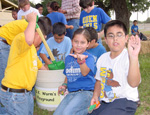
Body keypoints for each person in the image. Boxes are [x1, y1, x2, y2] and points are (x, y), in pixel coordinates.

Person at [0, 12, 52, 114]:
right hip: (15, 94)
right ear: (37, 34)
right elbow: (28, 39)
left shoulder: (31, 49)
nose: (41, 43)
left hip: (24, 94)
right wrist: (32, 21)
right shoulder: (21, 39)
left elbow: (40, 66)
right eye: (41, 40)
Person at [88, 20, 141, 115]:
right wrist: (95, 96)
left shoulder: (128, 57)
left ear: (126, 38)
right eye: (111, 36)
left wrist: (133, 57)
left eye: (119, 35)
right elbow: (99, 81)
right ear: (106, 40)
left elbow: (134, 83)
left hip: (125, 101)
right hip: (105, 102)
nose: (115, 38)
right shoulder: (102, 58)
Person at [53, 28, 96, 115]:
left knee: (67, 113)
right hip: (71, 93)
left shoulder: (89, 58)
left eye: (82, 42)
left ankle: (90, 108)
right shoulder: (69, 58)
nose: (78, 45)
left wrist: (81, 62)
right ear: (72, 41)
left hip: (85, 92)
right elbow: (68, 75)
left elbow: (84, 72)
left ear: (88, 44)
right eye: (76, 41)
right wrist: (64, 86)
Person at [0, 19, 28, 85]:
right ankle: (3, 93)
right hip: (3, 43)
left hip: (3, 41)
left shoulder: (25, 22)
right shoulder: (30, 26)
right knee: (4, 71)